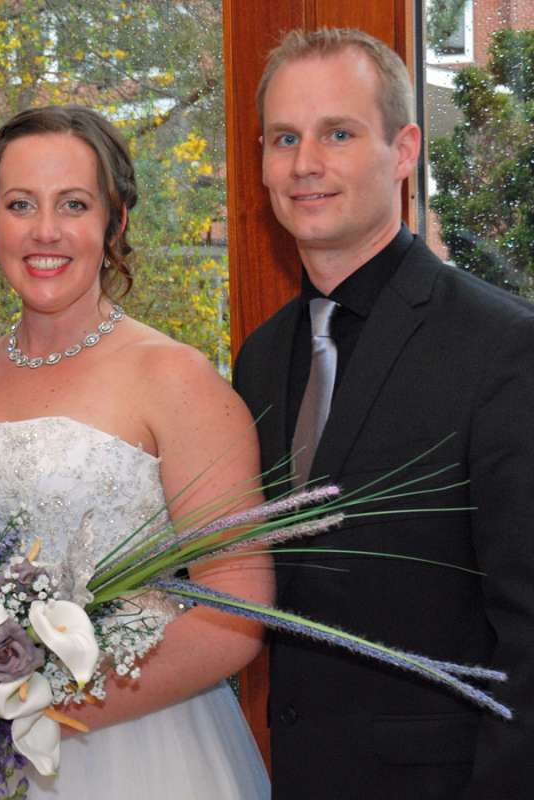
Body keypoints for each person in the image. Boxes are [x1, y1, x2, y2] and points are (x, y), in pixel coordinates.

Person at [0, 105, 273, 798]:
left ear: (115, 221)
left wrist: (43, 710)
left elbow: (237, 617)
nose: (45, 231)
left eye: (73, 204)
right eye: (19, 204)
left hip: (132, 749)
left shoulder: (175, 379)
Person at [233, 28, 534, 799]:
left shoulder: (503, 348)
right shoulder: (261, 360)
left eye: (338, 133)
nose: (305, 164)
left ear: (404, 151)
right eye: (283, 138)